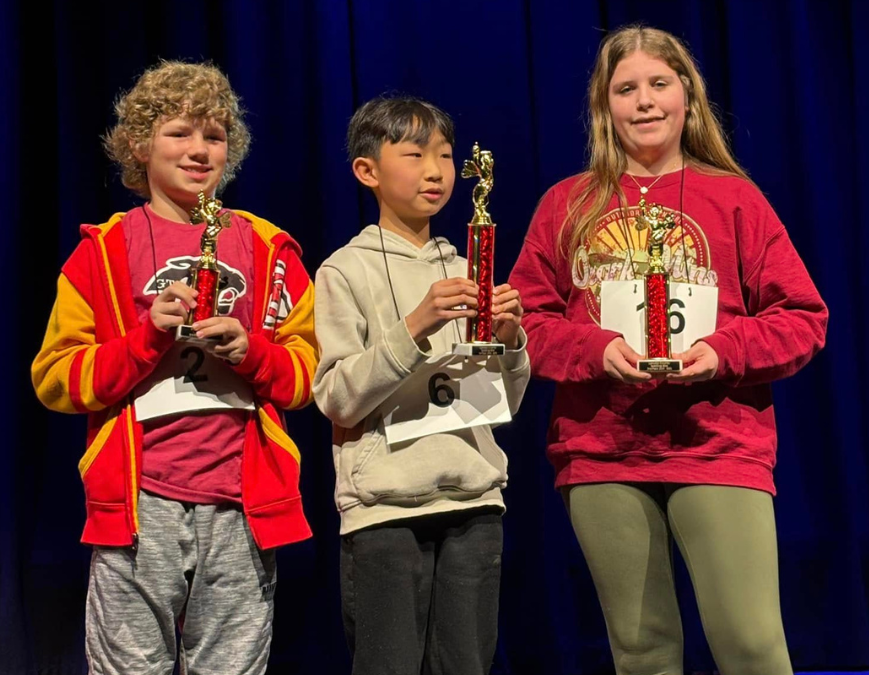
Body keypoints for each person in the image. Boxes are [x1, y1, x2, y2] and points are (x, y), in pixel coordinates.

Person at [509, 25, 828, 675]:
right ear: (605, 106)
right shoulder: (564, 205)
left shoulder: (736, 198)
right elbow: (526, 322)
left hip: (716, 440)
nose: (644, 101)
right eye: (626, 89)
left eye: (659, 83)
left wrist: (723, 350)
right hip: (600, 451)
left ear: (688, 94)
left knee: (751, 643)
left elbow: (802, 316)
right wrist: (594, 348)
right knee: (643, 652)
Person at [31, 60, 318, 673]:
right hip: (140, 505)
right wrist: (145, 338)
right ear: (139, 144)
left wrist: (253, 351)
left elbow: (306, 378)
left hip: (242, 503)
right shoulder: (102, 252)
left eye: (214, 137)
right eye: (179, 133)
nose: (199, 150)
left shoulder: (270, 250)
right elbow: (56, 378)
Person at [313, 95, 530, 674]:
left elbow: (504, 401)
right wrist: (414, 327)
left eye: (446, 156)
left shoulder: (468, 269)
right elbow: (336, 397)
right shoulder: (344, 271)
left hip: (474, 500)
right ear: (368, 171)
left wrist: (510, 342)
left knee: (465, 664)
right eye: (414, 154)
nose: (436, 171)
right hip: (383, 507)